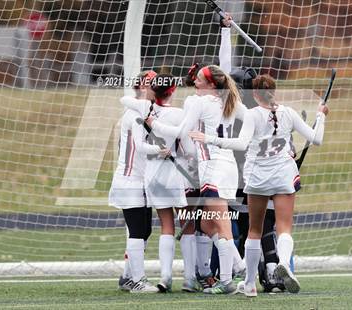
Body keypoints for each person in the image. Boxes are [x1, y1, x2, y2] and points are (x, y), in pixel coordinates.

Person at [189, 74, 329, 296]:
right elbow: (316, 138)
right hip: (284, 174)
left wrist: (211, 139)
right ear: (275, 92)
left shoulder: (252, 114)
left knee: (254, 230)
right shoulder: (289, 113)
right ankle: (283, 263)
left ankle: (250, 284)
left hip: (258, 177)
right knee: (283, 227)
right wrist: (320, 116)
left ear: (254, 94)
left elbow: (241, 143)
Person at [143, 65, 246, 295]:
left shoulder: (199, 102)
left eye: (199, 79)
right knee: (208, 224)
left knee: (221, 224)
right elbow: (251, 118)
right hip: (227, 168)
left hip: (214, 168)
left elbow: (180, 133)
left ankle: (228, 281)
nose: (194, 81)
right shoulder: (228, 100)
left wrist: (153, 124)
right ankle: (241, 267)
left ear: (211, 85)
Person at [121, 74, 197, 293]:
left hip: (153, 175)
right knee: (187, 225)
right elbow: (189, 149)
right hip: (176, 174)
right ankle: (190, 279)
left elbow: (126, 101)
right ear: (172, 91)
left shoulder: (144, 111)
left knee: (166, 226)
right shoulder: (178, 114)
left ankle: (166, 277)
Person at [108, 70, 158, 293]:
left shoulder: (146, 110)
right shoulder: (135, 113)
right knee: (138, 230)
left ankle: (128, 276)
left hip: (139, 181)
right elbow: (139, 146)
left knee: (145, 230)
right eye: (150, 83)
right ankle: (137, 280)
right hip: (130, 181)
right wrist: (161, 150)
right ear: (141, 87)